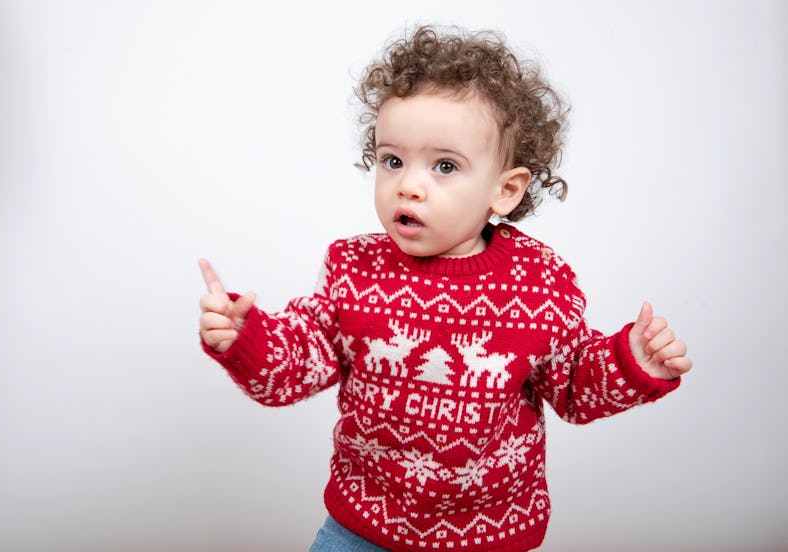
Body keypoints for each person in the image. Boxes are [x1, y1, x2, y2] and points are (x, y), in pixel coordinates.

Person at [198, 25, 692, 552]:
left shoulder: (540, 281)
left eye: (445, 166)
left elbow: (571, 385)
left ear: (504, 190)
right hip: (361, 525)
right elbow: (297, 365)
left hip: (488, 533)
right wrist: (244, 337)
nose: (409, 184)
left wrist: (631, 361)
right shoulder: (353, 267)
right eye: (393, 161)